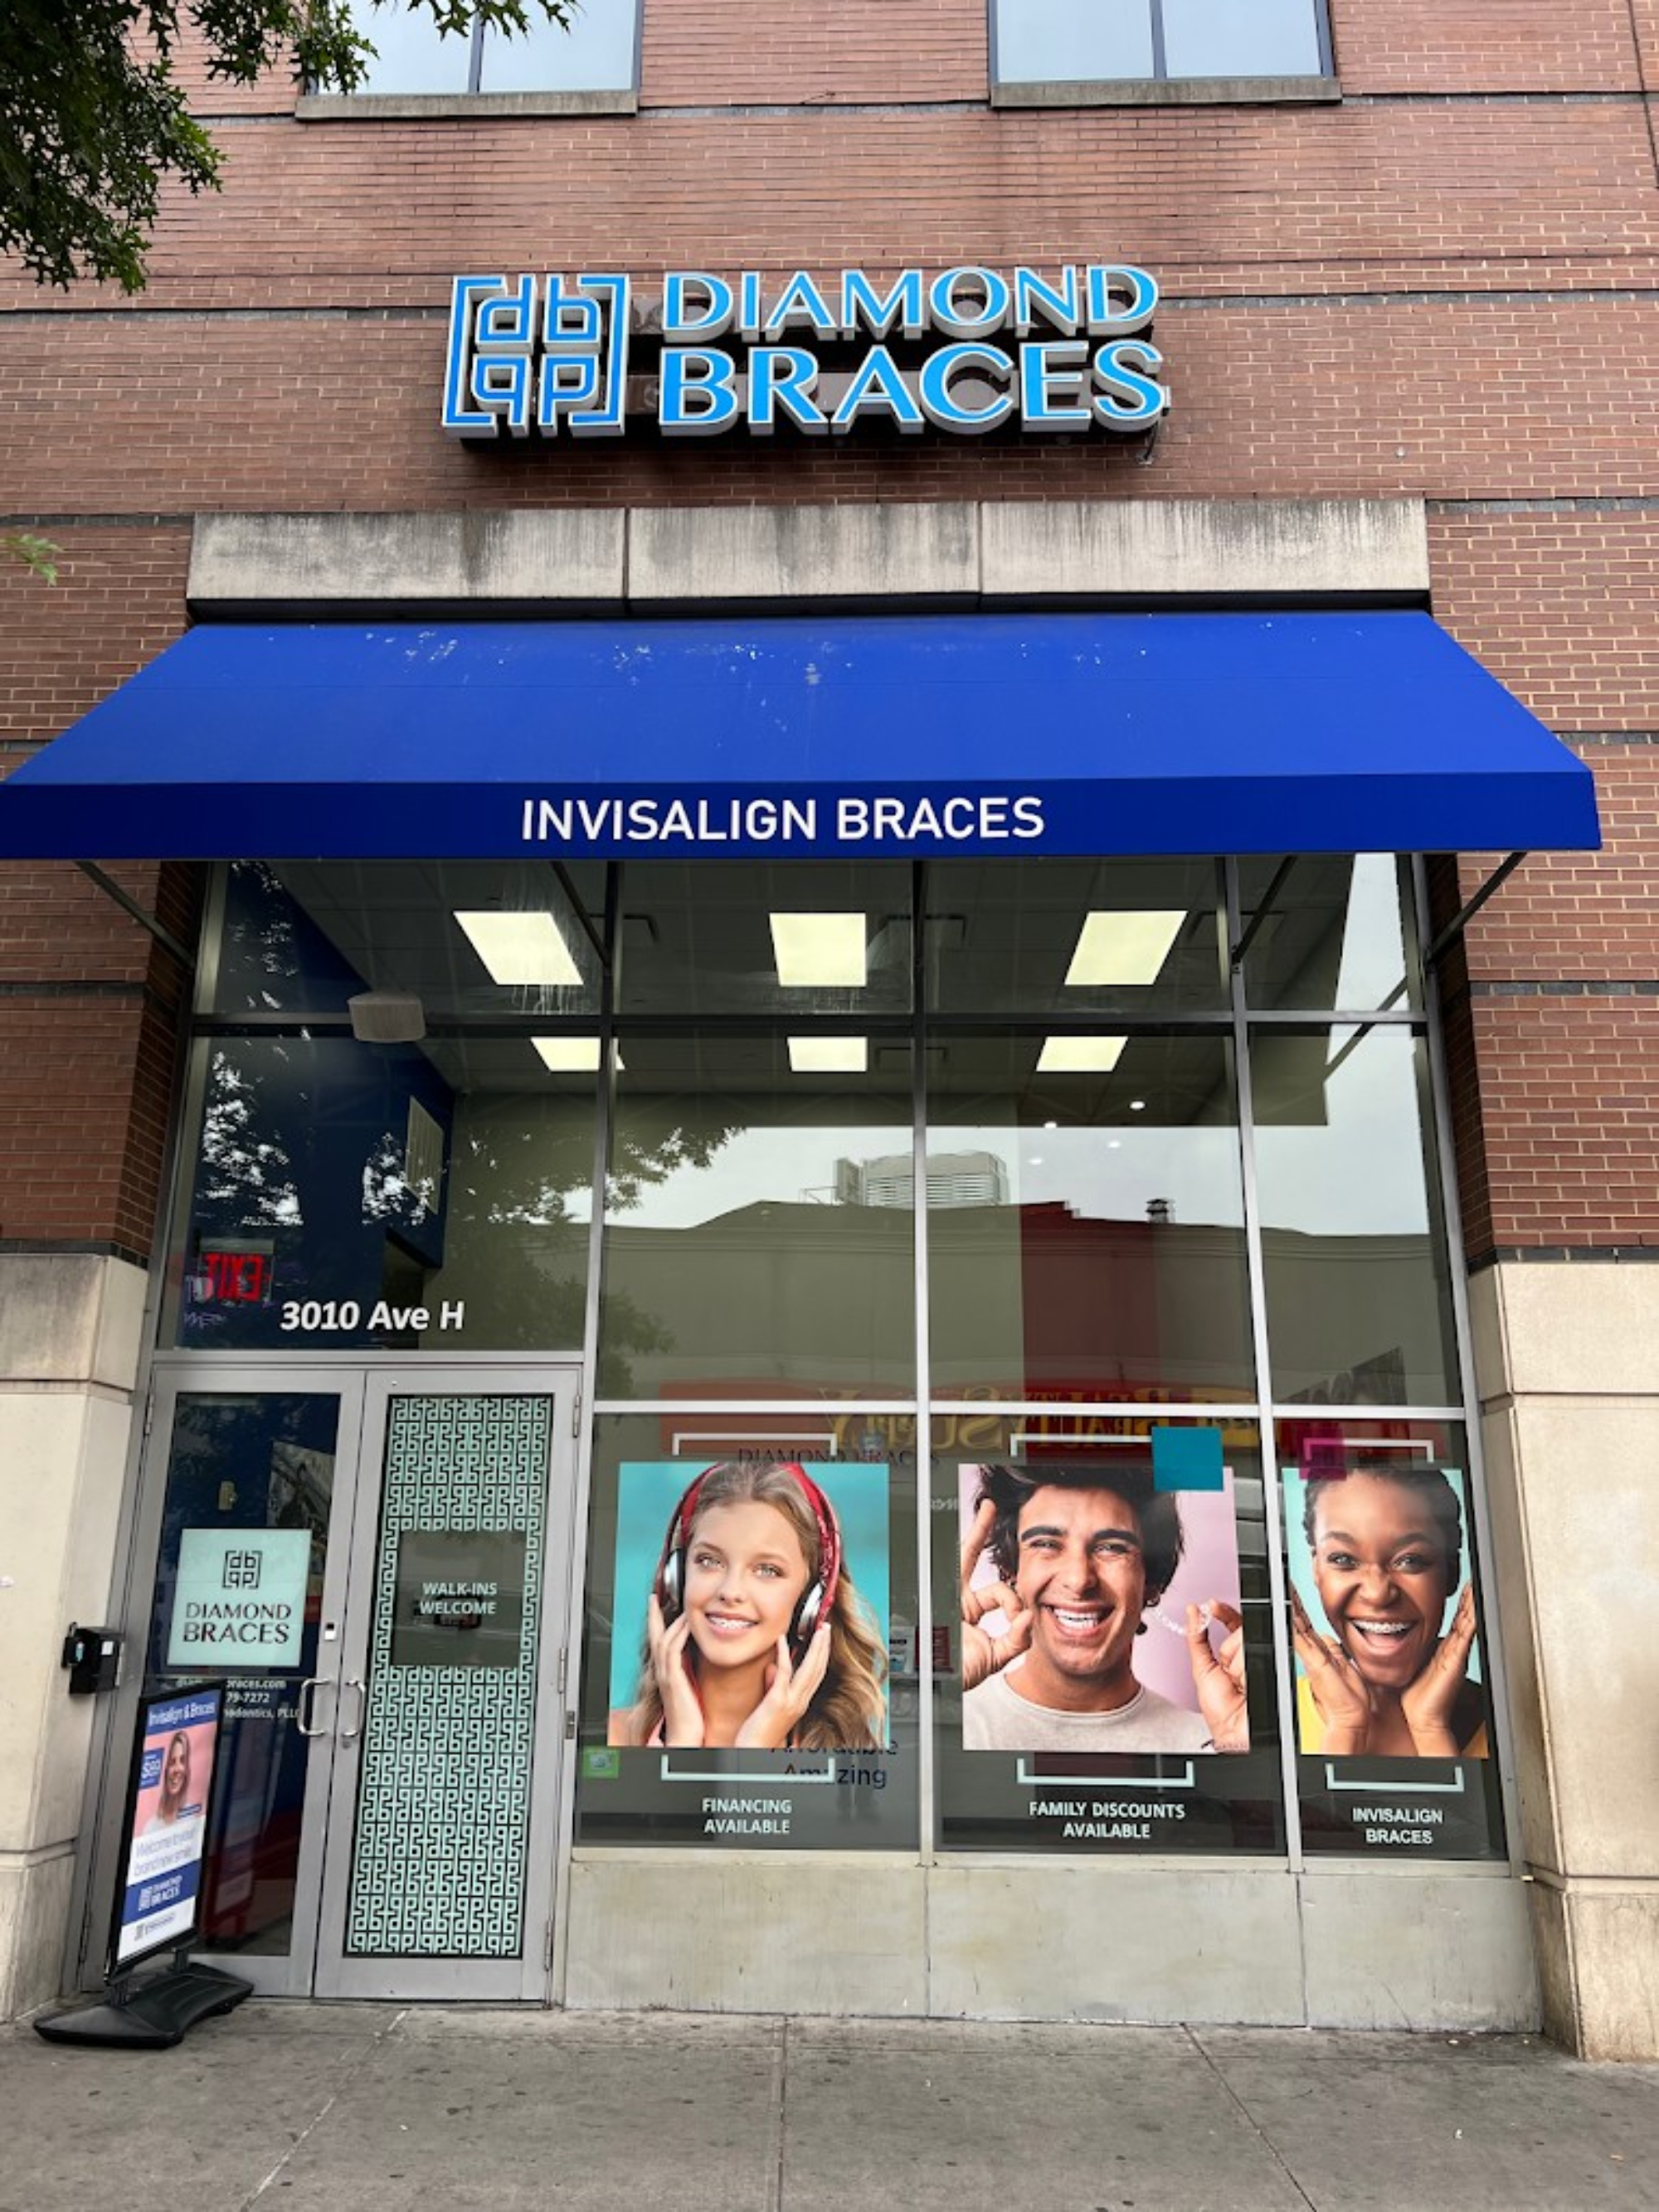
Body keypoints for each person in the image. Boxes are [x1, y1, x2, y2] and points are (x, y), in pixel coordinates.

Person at [959, 1464, 1248, 1753]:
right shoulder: (948, 1723)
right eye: (1046, 1544)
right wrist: (940, 1678)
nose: (1079, 1580)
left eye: (1112, 1547)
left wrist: (1237, 1752)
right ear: (1012, 1572)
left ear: (1150, 1581)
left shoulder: (1217, 1742)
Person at [611, 1461, 888, 1752]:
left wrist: (754, 1749)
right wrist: (681, 1743)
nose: (730, 1592)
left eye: (767, 1570)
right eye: (709, 1561)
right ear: (675, 1577)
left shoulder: (850, 1758)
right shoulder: (612, 1739)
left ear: (812, 1600)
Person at [1289, 1461, 1487, 1758]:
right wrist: (1346, 1727)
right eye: (1343, 1559)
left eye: (1411, 1560)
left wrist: (1431, 1730)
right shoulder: (1275, 1717)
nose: (1378, 1594)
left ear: (1453, 1572)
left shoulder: (1506, 1721)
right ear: (1316, 1570)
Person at [142, 1729, 197, 1832]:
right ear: (165, 1769)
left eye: (182, 1761)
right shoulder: (150, 1827)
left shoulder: (192, 1818)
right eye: (172, 1762)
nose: (177, 1769)